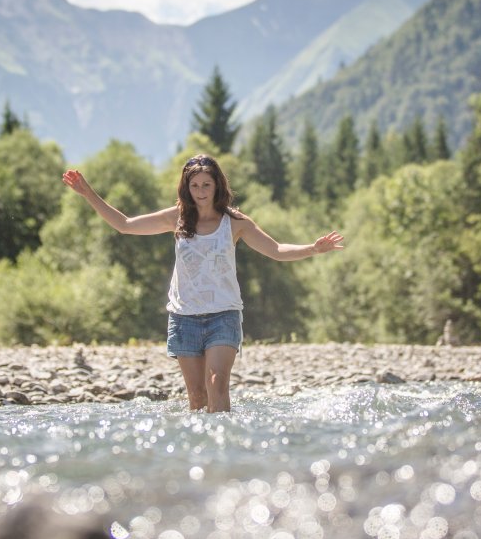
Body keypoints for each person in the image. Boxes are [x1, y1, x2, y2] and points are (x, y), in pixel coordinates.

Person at [61, 154, 344, 413]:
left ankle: (223, 453)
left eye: (206, 185)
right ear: (187, 188)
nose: (200, 192)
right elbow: (124, 224)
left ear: (217, 186)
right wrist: (88, 193)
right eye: (194, 186)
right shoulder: (177, 217)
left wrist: (312, 248)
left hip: (224, 315)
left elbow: (276, 250)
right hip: (185, 318)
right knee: (197, 397)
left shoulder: (235, 222)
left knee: (217, 384)